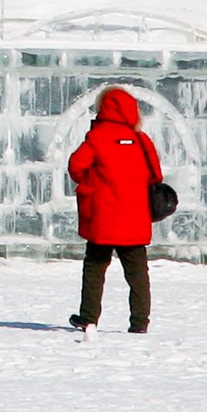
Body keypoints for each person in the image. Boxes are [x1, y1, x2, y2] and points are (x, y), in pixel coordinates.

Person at [64, 85, 166, 333]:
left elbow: (75, 167)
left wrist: (94, 182)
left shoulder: (97, 138)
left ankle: (88, 318)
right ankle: (140, 322)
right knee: (138, 273)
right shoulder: (142, 141)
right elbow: (156, 175)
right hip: (135, 217)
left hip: (103, 217)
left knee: (95, 267)